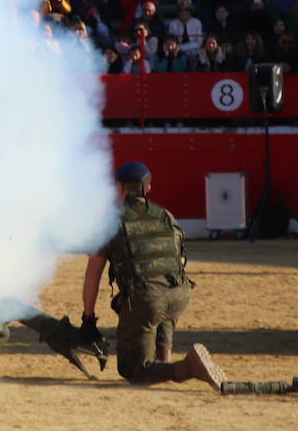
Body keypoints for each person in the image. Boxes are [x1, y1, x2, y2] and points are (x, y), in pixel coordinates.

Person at [80, 162, 224, 391]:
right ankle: (164, 363)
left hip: (148, 301)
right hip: (180, 295)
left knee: (134, 371)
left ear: (119, 188)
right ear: (148, 187)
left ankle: (189, 368)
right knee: (162, 297)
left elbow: (92, 278)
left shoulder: (109, 223)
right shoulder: (166, 215)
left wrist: (88, 319)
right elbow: (177, 263)